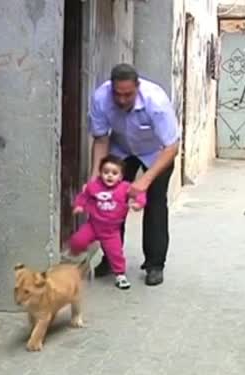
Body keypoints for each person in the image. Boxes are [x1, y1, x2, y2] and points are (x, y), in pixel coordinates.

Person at [87, 64, 179, 286]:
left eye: (128, 94)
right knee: (110, 204)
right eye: (117, 94)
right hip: (121, 150)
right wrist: (94, 177)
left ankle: (155, 265)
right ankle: (111, 258)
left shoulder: (155, 102)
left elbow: (172, 147)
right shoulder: (101, 98)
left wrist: (145, 181)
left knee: (155, 204)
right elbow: (101, 139)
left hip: (156, 153)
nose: (122, 100)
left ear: (137, 88)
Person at [69, 155, 146, 290]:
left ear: (121, 176)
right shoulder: (94, 186)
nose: (109, 176)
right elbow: (84, 196)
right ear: (100, 173)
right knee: (77, 240)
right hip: (93, 225)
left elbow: (139, 193)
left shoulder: (125, 187)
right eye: (106, 172)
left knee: (116, 253)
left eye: (114, 173)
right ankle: (76, 259)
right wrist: (79, 205)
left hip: (111, 230)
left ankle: (120, 275)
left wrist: (139, 203)